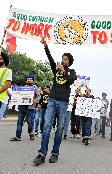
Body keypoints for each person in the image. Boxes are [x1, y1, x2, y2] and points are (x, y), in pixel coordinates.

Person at [33, 37, 76, 165]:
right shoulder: (56, 70)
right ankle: (42, 154)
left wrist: (64, 72)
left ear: (69, 62)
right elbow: (50, 58)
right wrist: (45, 45)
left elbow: (70, 81)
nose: (63, 60)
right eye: (62, 58)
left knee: (59, 129)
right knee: (46, 126)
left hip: (63, 103)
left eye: (66, 59)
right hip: (52, 101)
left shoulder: (72, 72)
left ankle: (55, 153)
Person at [10, 75, 40, 141]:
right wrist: (13, 97)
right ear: (26, 81)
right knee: (19, 122)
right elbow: (17, 95)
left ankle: (31, 133)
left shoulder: (35, 87)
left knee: (30, 122)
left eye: (30, 79)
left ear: (33, 80)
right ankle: (18, 137)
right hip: (22, 107)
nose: (29, 80)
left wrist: (35, 100)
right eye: (28, 79)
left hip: (30, 108)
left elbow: (39, 96)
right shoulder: (22, 88)